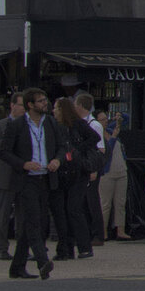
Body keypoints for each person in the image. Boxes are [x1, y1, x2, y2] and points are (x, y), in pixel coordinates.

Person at [0, 88, 65, 279]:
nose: (45, 103)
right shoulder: (17, 125)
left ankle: (17, 267)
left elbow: (62, 146)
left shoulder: (50, 123)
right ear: (30, 105)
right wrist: (23, 164)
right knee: (34, 220)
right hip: (26, 180)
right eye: (41, 101)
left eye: (45, 100)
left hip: (45, 178)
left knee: (36, 221)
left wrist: (57, 160)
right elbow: (4, 152)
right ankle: (42, 261)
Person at [50, 96, 99, 261]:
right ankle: (67, 248)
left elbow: (95, 138)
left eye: (56, 108)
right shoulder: (56, 126)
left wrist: (77, 149)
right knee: (63, 211)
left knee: (74, 208)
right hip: (63, 172)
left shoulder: (78, 124)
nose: (53, 111)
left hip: (78, 172)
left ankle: (85, 246)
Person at [96, 101, 131, 243]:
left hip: (121, 170)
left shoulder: (110, 130)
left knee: (120, 202)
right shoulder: (97, 136)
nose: (105, 122)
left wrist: (119, 116)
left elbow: (126, 120)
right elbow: (106, 151)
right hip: (107, 172)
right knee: (105, 203)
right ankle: (103, 230)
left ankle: (120, 230)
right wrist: (114, 137)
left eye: (106, 119)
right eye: (102, 120)